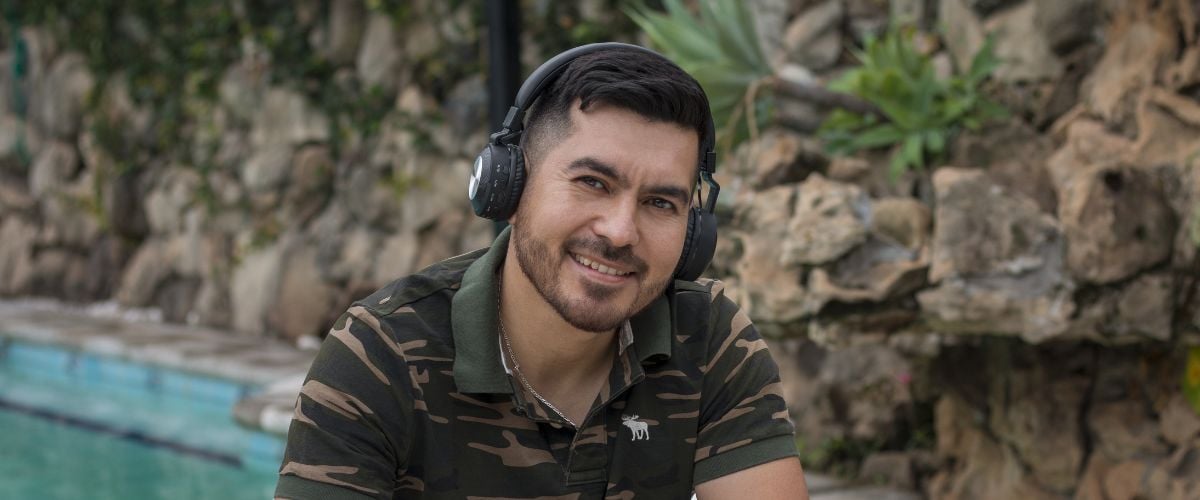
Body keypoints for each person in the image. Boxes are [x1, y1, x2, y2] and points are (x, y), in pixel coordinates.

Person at [275, 43, 809, 500]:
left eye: (660, 203)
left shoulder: (708, 337)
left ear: (694, 234)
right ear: (508, 190)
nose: (621, 231)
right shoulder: (379, 357)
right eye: (593, 183)